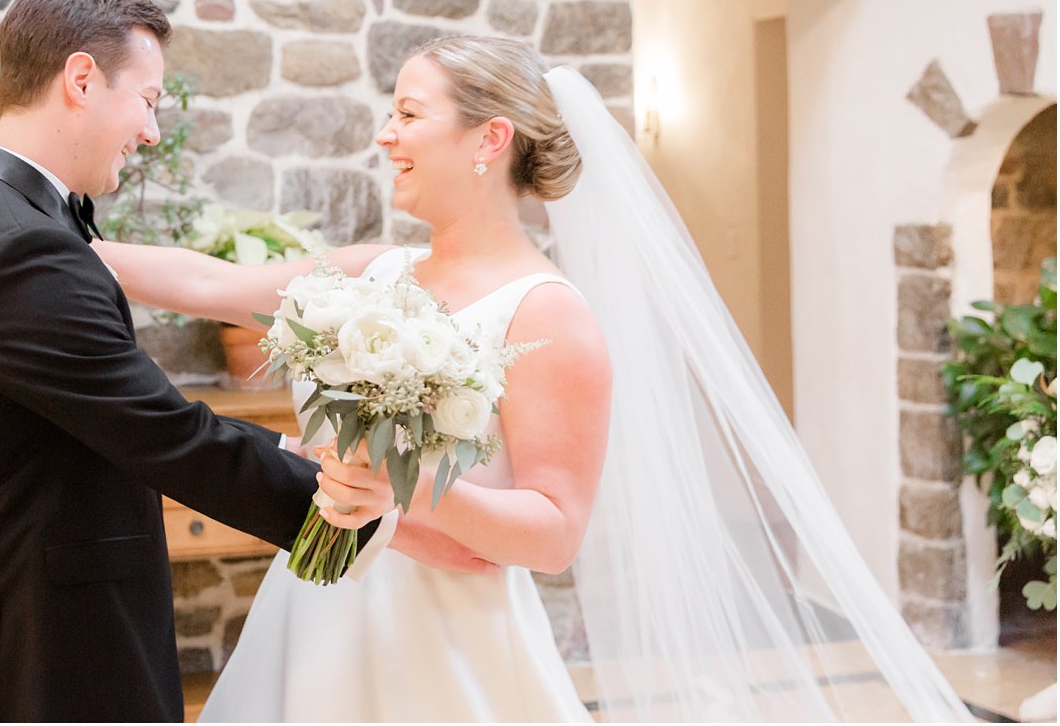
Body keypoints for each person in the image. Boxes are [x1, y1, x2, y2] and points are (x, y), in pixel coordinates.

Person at [95, 35, 975, 722]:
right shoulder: (375, 271)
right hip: (315, 605)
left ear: (489, 138)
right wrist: (49, 237)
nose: (385, 134)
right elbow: (207, 284)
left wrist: (394, 496)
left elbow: (554, 535)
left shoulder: (549, 314)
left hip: (441, 638)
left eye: (407, 114)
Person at [0, 0, 413, 723]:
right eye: (147, 99)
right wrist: (344, 516)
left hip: (46, 624)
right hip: (48, 652)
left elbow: (118, 411)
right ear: (81, 79)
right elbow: (163, 433)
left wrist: (288, 447)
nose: (151, 130)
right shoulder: (19, 247)